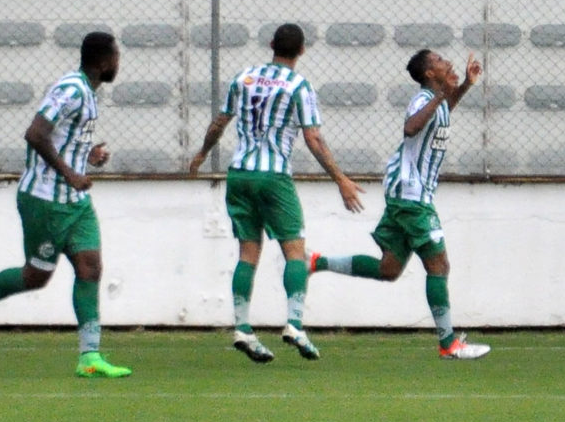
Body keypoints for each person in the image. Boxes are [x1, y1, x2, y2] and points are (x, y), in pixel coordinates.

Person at [0, 32, 132, 379]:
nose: (118, 63)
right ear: (104, 61)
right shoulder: (70, 89)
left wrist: (88, 156)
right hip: (45, 200)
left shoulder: (88, 94)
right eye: (116, 57)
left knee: (90, 269)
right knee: (35, 277)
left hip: (76, 202)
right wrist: (71, 172)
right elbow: (35, 133)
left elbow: (61, 140)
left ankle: (90, 356)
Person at [189, 23, 365, 363]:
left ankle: (242, 328)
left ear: (271, 44)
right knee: (295, 251)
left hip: (239, 174)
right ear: (302, 50)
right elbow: (313, 137)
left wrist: (201, 153)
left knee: (247, 253)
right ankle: (295, 324)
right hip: (273, 176)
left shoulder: (244, 78)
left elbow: (219, 123)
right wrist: (340, 178)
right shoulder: (300, 86)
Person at [308, 49, 491, 360]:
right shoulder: (423, 100)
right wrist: (442, 95)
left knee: (389, 269)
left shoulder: (436, 100)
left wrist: (463, 87)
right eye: (439, 61)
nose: (447, 61)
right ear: (430, 75)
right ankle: (448, 344)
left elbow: (442, 110)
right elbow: (411, 127)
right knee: (439, 265)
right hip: (411, 194)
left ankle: (317, 262)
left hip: (408, 191)